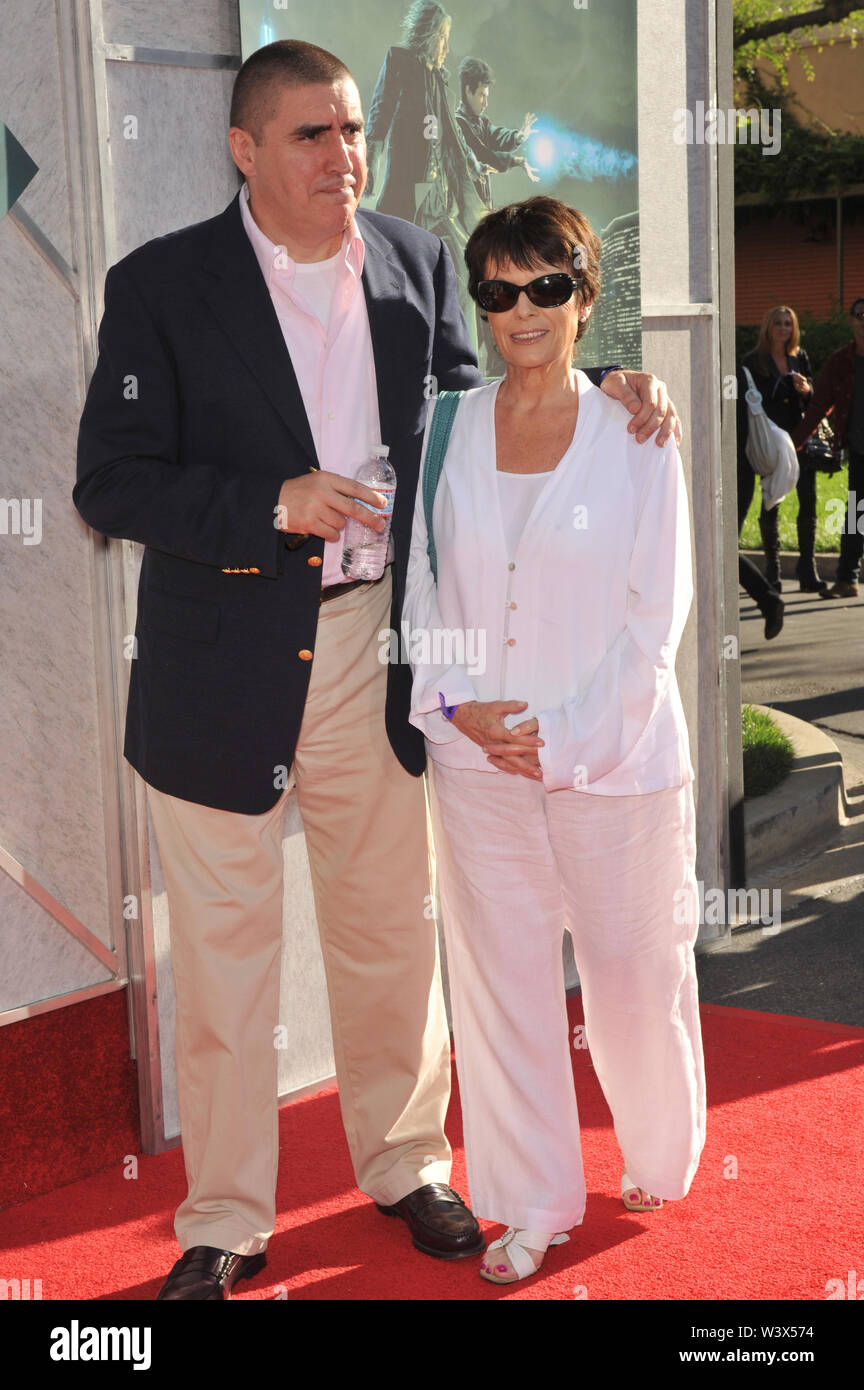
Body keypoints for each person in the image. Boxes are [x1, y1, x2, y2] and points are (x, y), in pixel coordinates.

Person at [74, 39, 683, 1301]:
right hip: (220, 659)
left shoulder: (413, 262)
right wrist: (271, 503)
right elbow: (109, 479)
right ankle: (230, 1214)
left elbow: (485, 411)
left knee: (391, 933)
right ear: (244, 150)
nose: (343, 156)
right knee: (231, 954)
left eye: (351, 129)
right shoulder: (160, 286)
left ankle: (408, 1161)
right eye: (309, 135)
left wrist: (609, 383)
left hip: (377, 649)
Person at [403, 195, 705, 1285]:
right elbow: (423, 579)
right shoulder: (446, 426)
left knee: (631, 972)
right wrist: (453, 703)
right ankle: (529, 1200)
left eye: (544, 286)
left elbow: (651, 615)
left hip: (616, 760)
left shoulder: (637, 431)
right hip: (477, 759)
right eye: (497, 289)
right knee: (503, 982)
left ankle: (662, 1150)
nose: (520, 309)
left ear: (584, 297)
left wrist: (569, 739)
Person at [364, 2, 487, 354]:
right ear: (429, 35)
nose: (447, 47)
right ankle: (397, 352)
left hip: (440, 197)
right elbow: (380, 111)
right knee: (397, 277)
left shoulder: (439, 78)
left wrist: (473, 167)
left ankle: (466, 361)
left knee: (466, 268)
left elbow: (453, 136)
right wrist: (370, 159)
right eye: (443, 38)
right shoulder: (401, 61)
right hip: (409, 193)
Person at [736, 305, 822, 598]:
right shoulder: (753, 361)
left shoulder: (800, 357)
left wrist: (805, 390)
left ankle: (808, 569)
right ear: (768, 327)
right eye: (778, 323)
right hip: (770, 440)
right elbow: (750, 405)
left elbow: (815, 400)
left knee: (808, 501)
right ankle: (772, 573)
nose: (784, 328)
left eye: (788, 323)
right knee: (771, 501)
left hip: (799, 437)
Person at [791, 295, 864, 600]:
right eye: (860, 314)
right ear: (851, 320)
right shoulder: (841, 361)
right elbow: (820, 403)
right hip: (860, 448)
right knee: (855, 514)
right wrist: (794, 442)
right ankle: (847, 579)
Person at [454, 58, 539, 210]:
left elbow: (495, 135)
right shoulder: (459, 124)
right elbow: (483, 154)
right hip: (465, 207)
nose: (485, 103)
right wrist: (516, 161)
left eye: (487, 96)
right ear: (468, 90)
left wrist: (517, 137)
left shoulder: (481, 122)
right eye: (481, 95)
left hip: (481, 203)